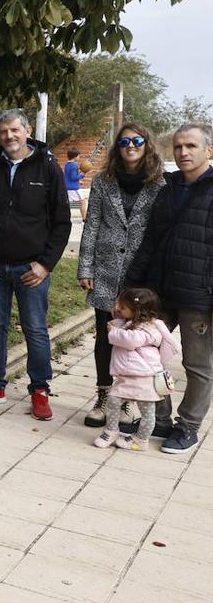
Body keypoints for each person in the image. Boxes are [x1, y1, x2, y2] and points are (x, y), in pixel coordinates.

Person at [0, 109, 70, 420]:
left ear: (26, 132)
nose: (8, 137)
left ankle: (39, 389)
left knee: (35, 329)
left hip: (31, 268)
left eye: (14, 130)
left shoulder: (48, 166)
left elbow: (62, 222)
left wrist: (46, 265)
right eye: (2, 132)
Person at [126, 122, 213, 454]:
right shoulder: (168, 187)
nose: (183, 152)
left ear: (209, 150)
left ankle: (188, 426)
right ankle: (159, 418)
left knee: (197, 365)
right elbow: (150, 241)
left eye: (191, 146)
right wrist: (135, 286)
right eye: (178, 146)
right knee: (149, 359)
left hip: (198, 295)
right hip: (160, 291)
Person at [77, 123, 165, 427]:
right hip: (105, 270)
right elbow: (92, 225)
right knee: (105, 336)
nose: (131, 145)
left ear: (146, 144)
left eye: (137, 140)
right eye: (125, 141)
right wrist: (85, 267)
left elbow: (159, 231)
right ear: (118, 146)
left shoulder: (159, 185)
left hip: (139, 275)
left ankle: (126, 399)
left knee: (134, 340)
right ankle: (103, 395)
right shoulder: (104, 181)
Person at [94, 288, 179, 451]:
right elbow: (121, 327)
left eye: (122, 307)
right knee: (113, 401)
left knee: (147, 412)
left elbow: (131, 340)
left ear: (136, 311)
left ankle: (141, 439)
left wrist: (114, 332)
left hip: (144, 378)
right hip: (128, 376)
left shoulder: (150, 328)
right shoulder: (131, 322)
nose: (118, 309)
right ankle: (111, 431)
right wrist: (117, 319)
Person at [64, 147, 89, 220]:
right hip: (73, 188)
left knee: (67, 204)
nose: (79, 157)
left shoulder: (67, 164)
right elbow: (73, 177)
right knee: (83, 201)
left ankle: (64, 217)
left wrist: (78, 182)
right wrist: (83, 174)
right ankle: (84, 218)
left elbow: (68, 176)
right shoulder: (74, 165)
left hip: (68, 187)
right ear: (75, 156)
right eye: (78, 156)